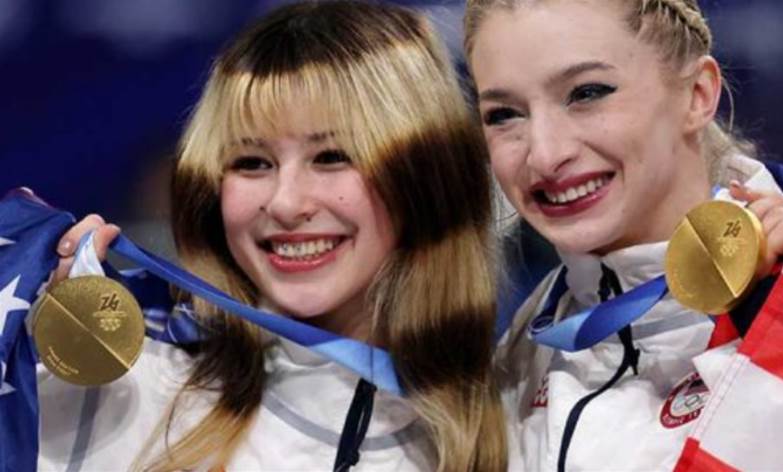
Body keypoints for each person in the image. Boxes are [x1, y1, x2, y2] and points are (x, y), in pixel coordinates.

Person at [39, 1, 506, 470]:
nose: (285, 203)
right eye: (252, 163)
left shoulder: (513, 420)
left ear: (426, 176)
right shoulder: (122, 395)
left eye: (331, 157)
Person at [463, 0, 783, 470]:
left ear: (697, 94)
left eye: (587, 93)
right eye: (503, 115)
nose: (545, 155)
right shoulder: (518, 360)